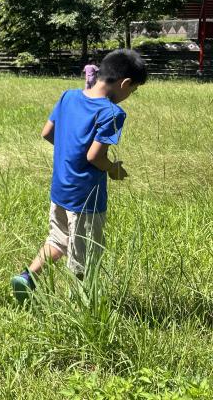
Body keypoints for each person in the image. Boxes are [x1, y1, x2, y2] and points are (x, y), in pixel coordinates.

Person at [11, 49, 147, 301]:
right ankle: (81, 305)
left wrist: (69, 147)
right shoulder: (112, 113)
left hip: (61, 190)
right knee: (85, 257)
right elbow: (94, 157)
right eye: (133, 90)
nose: (130, 95)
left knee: (57, 239)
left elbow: (47, 133)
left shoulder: (68, 96)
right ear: (125, 83)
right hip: (87, 198)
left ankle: (27, 276)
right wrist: (114, 169)